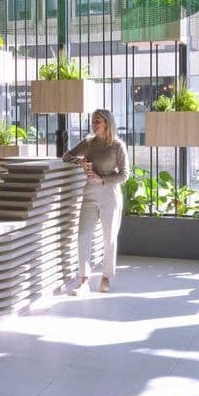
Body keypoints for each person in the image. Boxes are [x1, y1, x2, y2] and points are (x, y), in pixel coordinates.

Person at [63, 109, 128, 294]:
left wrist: (103, 180)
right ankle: (83, 280)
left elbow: (125, 174)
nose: (94, 124)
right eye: (93, 120)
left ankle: (106, 278)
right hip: (90, 194)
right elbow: (67, 156)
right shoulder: (88, 142)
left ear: (107, 123)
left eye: (97, 121)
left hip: (110, 195)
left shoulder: (117, 146)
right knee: (83, 235)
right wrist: (80, 161)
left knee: (109, 239)